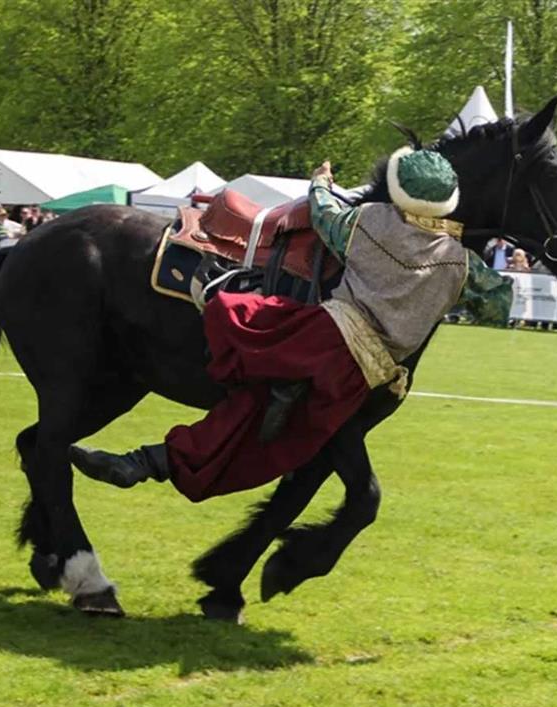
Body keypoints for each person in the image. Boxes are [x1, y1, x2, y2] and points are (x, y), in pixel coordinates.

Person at [69, 149, 513, 502]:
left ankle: (158, 446)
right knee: (273, 432)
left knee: (230, 309)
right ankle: (144, 463)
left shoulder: (371, 223)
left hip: (321, 334)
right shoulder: (461, 262)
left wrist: (321, 181)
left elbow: (322, 214)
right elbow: (497, 308)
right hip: (363, 376)